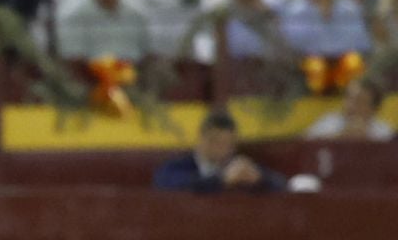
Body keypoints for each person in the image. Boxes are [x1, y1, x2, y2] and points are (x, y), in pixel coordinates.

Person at [153, 108, 285, 191]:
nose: (220, 149)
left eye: (227, 143)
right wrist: (221, 180)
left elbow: (282, 185)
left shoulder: (238, 167)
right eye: (215, 141)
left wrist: (260, 179)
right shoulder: (179, 167)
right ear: (201, 139)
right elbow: (166, 184)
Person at [305, 77, 393, 137]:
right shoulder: (328, 124)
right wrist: (342, 136)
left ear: (374, 108)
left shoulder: (384, 133)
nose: (351, 106)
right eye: (349, 98)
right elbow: (304, 146)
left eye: (359, 101)